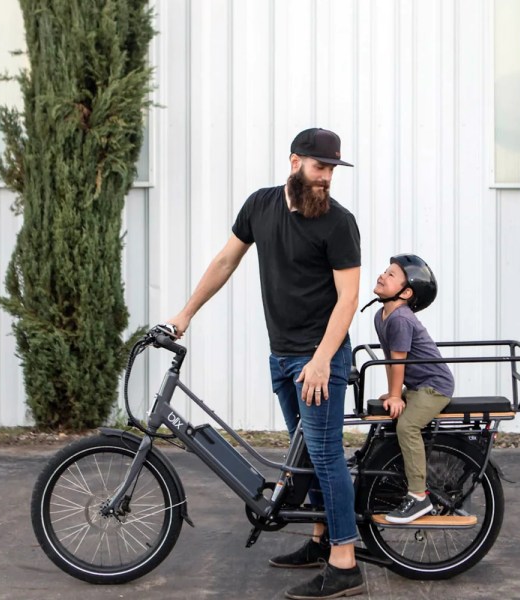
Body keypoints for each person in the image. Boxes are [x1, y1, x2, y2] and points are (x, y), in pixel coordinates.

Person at [167, 128, 366, 599]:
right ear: (295, 162)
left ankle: (345, 561)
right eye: (320, 168)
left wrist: (320, 361)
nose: (327, 179)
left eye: (333, 170)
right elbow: (224, 262)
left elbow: (348, 298)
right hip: (283, 356)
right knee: (305, 460)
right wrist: (185, 313)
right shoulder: (260, 206)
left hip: (321, 357)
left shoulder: (339, 223)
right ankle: (319, 540)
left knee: (324, 453)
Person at [368, 254, 455, 524]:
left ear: (406, 292)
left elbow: (399, 360)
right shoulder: (381, 315)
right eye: (385, 271)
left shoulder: (400, 319)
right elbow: (390, 360)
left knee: (407, 426)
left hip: (435, 387)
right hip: (417, 386)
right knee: (386, 418)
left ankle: (419, 496)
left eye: (391, 275)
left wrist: (397, 395)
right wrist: (392, 392)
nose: (383, 275)